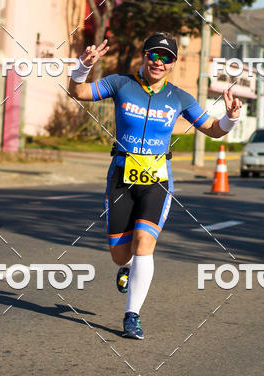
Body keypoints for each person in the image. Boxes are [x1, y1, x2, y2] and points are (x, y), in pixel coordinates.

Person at [69, 32, 241, 340]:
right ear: (144, 55)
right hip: (121, 177)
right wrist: (82, 68)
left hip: (158, 181)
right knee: (120, 256)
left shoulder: (179, 97)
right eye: (154, 55)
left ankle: (131, 315)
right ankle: (128, 265)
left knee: (146, 243)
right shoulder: (120, 83)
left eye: (167, 57)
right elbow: (78, 92)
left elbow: (213, 130)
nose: (159, 62)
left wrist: (230, 118)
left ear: (175, 63)